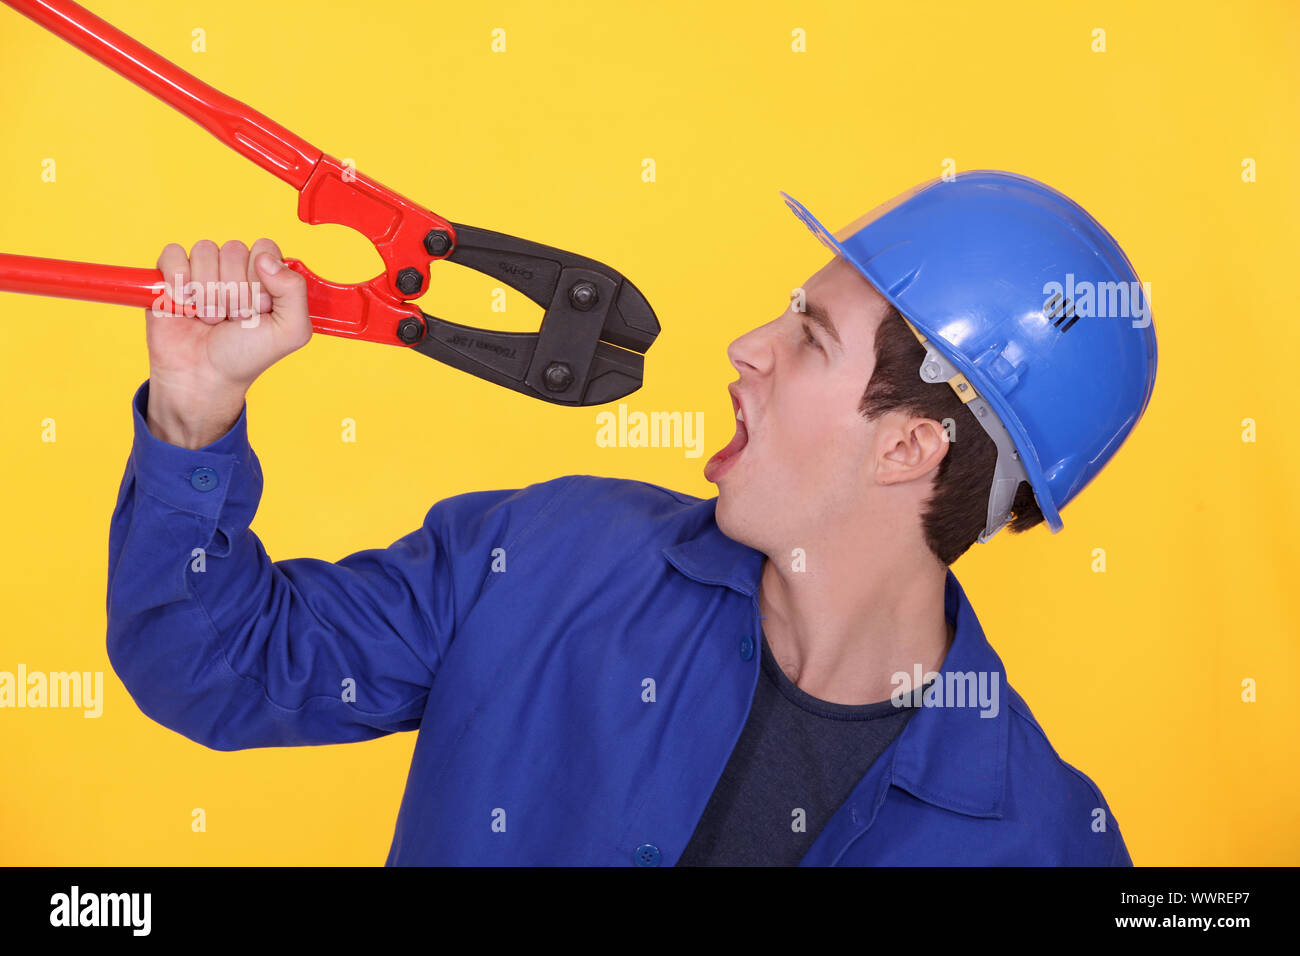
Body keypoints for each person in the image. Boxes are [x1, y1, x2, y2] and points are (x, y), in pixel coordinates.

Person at [107, 170, 1156, 865]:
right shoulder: (545, 559)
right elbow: (213, 662)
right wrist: (193, 418)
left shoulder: (1042, 839)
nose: (748, 345)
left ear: (908, 447)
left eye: (810, 336)